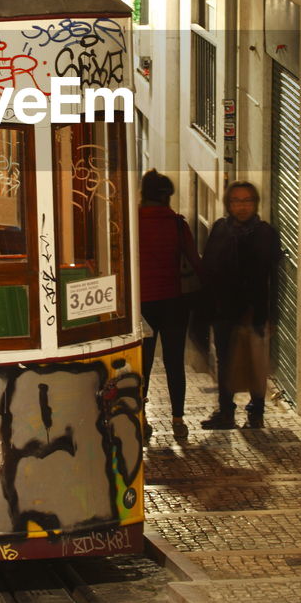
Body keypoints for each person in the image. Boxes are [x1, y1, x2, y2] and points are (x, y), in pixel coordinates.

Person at [201, 181, 283, 430]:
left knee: (255, 362)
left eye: (247, 200)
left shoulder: (266, 233)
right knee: (225, 361)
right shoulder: (220, 229)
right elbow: (209, 270)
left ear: (255, 203)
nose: (242, 206)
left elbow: (275, 277)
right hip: (224, 309)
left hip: (254, 310)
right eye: (236, 201)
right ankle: (226, 412)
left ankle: (256, 412)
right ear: (229, 204)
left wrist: (272, 313)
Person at [138, 169, 203, 442]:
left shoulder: (132, 222)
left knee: (143, 364)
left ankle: (141, 419)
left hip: (142, 306)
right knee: (174, 362)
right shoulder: (178, 224)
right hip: (175, 303)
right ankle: (177, 419)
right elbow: (194, 261)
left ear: (143, 194)